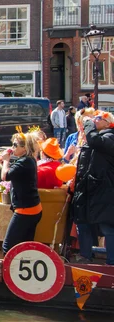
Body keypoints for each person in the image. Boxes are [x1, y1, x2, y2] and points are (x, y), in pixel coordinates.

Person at [73, 110, 114, 265]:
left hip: (104, 190)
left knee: (108, 226)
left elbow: (95, 141)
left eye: (98, 118)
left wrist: (89, 125)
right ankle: (86, 255)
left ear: (107, 122)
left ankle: (111, 263)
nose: (94, 120)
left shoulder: (110, 136)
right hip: (91, 188)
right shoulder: (97, 136)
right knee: (83, 222)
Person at [0, 130, 42, 254]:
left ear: (24, 148)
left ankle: (9, 271)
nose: (12, 148)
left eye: (15, 145)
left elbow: (5, 176)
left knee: (8, 247)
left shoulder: (25, 162)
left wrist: (6, 160)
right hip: (32, 208)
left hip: (26, 210)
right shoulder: (28, 160)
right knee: (25, 246)